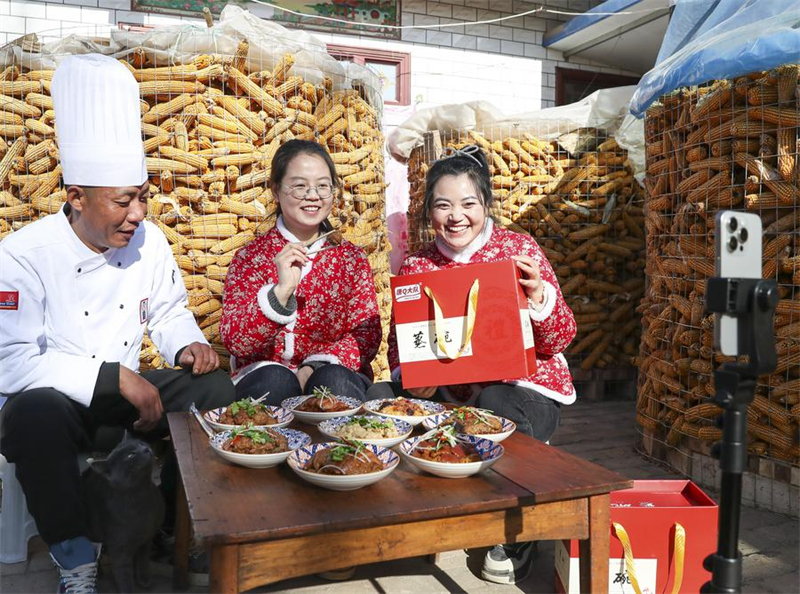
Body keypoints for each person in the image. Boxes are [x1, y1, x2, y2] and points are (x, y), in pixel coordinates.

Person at [0, 54, 235, 594]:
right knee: (30, 416)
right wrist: (111, 377)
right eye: (123, 201)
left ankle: (179, 529)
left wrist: (188, 347)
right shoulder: (24, 254)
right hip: (63, 406)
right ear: (75, 197)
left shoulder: (148, 242)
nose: (137, 215)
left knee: (216, 385)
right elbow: (13, 363)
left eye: (143, 198)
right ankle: (75, 558)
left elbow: (170, 311)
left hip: (130, 404)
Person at [367, 144, 577, 585]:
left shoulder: (518, 250)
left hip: (522, 394)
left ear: (485, 204)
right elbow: (398, 347)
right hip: (447, 395)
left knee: (497, 399)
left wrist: (538, 296)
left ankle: (515, 532)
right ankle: (397, 519)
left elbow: (560, 337)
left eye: (468, 204)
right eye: (443, 205)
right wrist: (413, 376)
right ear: (429, 211)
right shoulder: (419, 263)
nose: (455, 216)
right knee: (380, 397)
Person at [220, 139, 382, 404]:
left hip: (334, 370)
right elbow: (237, 341)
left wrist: (315, 366)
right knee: (276, 380)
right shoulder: (250, 258)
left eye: (322, 186)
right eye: (299, 186)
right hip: (264, 375)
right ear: (275, 190)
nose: (313, 195)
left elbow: (366, 334)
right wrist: (280, 294)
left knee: (334, 381)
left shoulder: (350, 258)